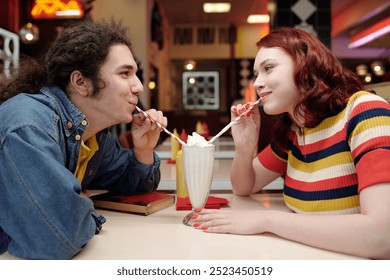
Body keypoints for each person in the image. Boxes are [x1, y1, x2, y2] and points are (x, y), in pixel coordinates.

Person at [192, 27, 390, 259]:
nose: (257, 83)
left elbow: (381, 236)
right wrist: (244, 147)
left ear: (306, 66)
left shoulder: (366, 110)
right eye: (257, 74)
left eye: (268, 68)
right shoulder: (294, 131)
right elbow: (244, 186)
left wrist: (267, 220)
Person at [0, 20, 167, 259]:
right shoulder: (29, 125)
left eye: (136, 75)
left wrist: (143, 150)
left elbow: (134, 186)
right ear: (81, 82)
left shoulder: (94, 136)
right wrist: (83, 209)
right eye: (125, 73)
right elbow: (57, 235)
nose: (139, 87)